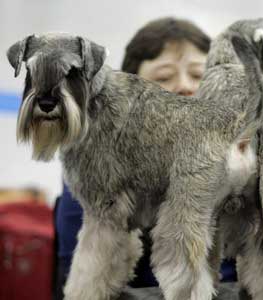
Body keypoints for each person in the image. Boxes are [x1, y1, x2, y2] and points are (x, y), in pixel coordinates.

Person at [54, 17, 236, 299]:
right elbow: (75, 271)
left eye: (199, 75)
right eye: (164, 77)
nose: (185, 87)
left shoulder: (238, 160)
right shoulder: (91, 165)